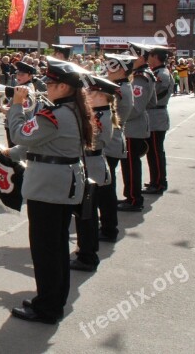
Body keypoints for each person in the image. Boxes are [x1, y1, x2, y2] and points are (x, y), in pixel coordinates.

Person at [6, 57, 92, 325]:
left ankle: (47, 307)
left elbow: (20, 134)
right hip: (58, 185)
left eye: (52, 83)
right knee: (54, 249)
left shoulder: (55, 115)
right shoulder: (69, 110)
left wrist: (17, 106)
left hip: (49, 188)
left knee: (46, 251)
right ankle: (51, 301)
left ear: (65, 87)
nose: (47, 86)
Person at [71, 75, 119, 272]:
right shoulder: (101, 113)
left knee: (87, 216)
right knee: (87, 214)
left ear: (100, 95)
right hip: (94, 164)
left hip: (92, 164)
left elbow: (88, 140)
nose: (86, 95)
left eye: (90, 92)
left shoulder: (99, 117)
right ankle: (87, 252)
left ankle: (87, 256)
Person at [98, 54, 135, 242]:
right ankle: (107, 225)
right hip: (114, 139)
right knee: (106, 187)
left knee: (105, 189)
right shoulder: (121, 87)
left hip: (110, 141)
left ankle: (108, 228)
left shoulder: (118, 90)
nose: (107, 69)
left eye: (112, 67)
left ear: (121, 70)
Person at [118, 43, 156, 212]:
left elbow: (136, 108)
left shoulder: (140, 77)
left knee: (131, 165)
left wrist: (117, 117)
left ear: (140, 58)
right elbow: (152, 102)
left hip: (133, 126)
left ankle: (134, 199)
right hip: (135, 125)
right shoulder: (143, 74)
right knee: (129, 164)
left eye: (131, 56)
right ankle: (131, 196)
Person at [143, 45, 172, 195]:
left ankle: (160, 182)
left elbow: (153, 94)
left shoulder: (162, 74)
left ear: (155, 57)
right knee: (151, 152)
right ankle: (155, 180)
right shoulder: (156, 72)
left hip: (156, 117)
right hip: (153, 117)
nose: (147, 58)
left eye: (149, 55)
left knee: (155, 152)